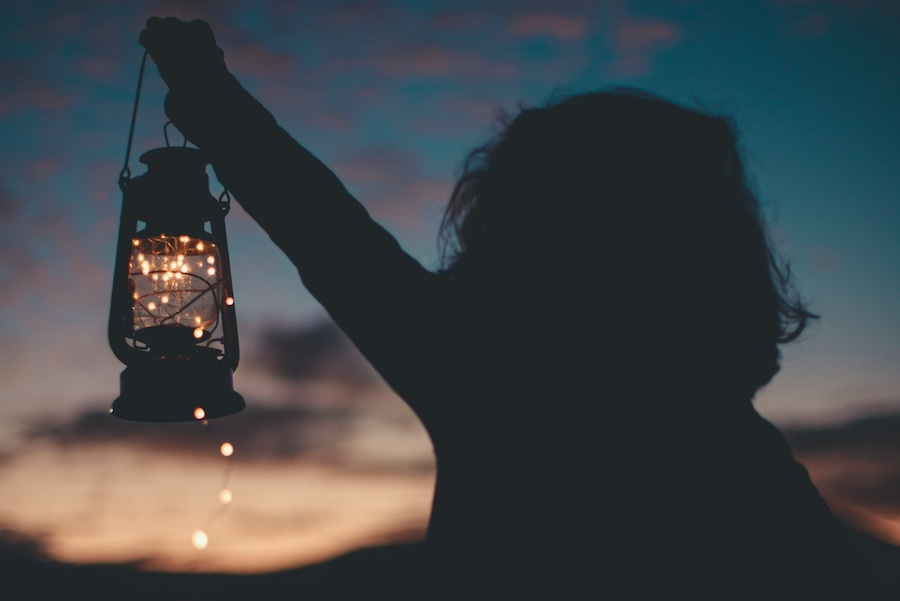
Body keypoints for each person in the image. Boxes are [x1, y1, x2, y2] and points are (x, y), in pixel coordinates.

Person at [139, 17, 888, 599]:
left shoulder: (491, 384)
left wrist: (212, 102)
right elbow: (329, 233)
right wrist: (213, 104)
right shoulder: (750, 464)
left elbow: (329, 234)